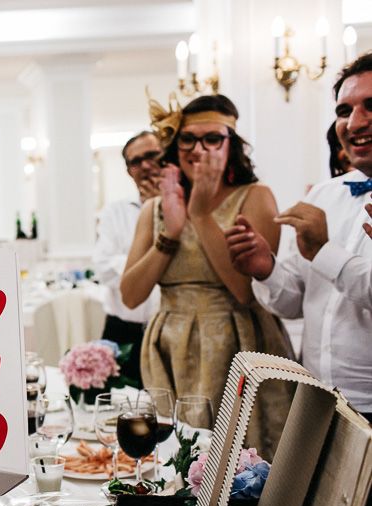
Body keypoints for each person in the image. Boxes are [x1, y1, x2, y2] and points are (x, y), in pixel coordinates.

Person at [120, 94, 294, 457]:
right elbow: (131, 295)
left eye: (212, 138)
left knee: (243, 466)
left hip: (238, 343)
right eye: (188, 138)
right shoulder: (153, 208)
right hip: (170, 347)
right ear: (175, 144)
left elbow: (245, 292)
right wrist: (169, 234)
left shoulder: (255, 197)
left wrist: (200, 215)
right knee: (177, 463)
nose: (199, 149)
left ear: (231, 145)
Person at [224, 52, 372, 419]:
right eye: (343, 110)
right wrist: (265, 268)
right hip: (317, 402)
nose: (355, 122)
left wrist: (324, 252)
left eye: (371, 106)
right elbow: (293, 303)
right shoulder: (323, 195)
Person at [93, 131, 162, 386]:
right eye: (136, 161)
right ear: (129, 171)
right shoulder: (115, 213)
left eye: (152, 155)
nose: (145, 165)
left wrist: (127, 261)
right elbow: (103, 268)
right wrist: (152, 264)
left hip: (168, 331)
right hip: (123, 330)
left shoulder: (186, 209)